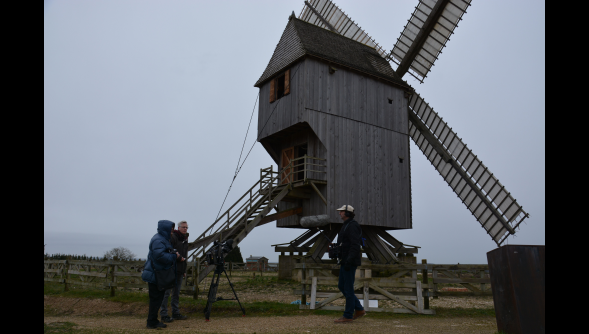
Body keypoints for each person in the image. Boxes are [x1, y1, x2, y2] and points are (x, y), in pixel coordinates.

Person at [141, 220, 180, 329]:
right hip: (155, 275)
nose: (172, 231)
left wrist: (171, 253)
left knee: (157, 298)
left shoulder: (162, 239)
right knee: (155, 299)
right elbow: (159, 256)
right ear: (166, 229)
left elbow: (162, 253)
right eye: (171, 229)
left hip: (157, 274)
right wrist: (174, 256)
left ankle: (153, 320)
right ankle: (152, 322)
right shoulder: (158, 240)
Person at [334, 205, 365, 323]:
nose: (339, 213)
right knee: (342, 286)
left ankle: (348, 315)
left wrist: (349, 260)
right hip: (345, 260)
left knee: (348, 288)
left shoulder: (352, 226)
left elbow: (355, 245)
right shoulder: (346, 225)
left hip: (349, 261)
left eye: (341, 211)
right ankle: (359, 309)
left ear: (347, 213)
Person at [160, 220, 189, 322]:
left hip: (180, 270)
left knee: (176, 293)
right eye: (183, 227)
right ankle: (164, 314)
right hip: (171, 269)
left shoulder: (185, 239)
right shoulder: (173, 238)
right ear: (179, 227)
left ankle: (175, 313)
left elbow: (185, 256)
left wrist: (184, 269)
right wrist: (178, 258)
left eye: (186, 227)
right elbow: (169, 251)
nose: (185, 229)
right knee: (167, 293)